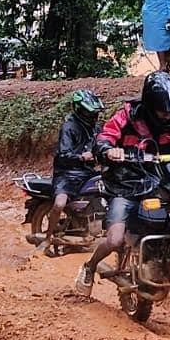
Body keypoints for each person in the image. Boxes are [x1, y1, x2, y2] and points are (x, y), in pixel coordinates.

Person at [74, 72, 170, 294]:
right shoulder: (125, 117)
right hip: (126, 183)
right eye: (163, 111)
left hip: (161, 183)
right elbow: (103, 139)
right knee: (115, 238)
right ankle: (90, 267)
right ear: (150, 104)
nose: (167, 116)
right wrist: (110, 150)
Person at [33, 89, 104, 250]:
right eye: (90, 113)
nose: (94, 117)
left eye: (95, 113)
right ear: (79, 109)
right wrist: (81, 157)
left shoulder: (97, 128)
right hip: (66, 175)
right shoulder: (69, 127)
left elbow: (104, 145)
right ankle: (48, 238)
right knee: (59, 204)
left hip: (88, 173)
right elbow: (63, 154)